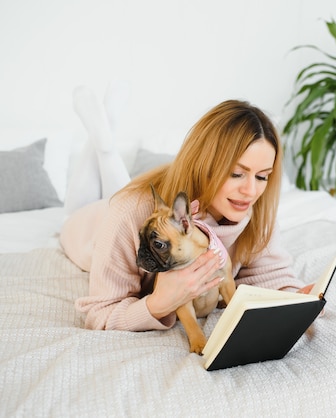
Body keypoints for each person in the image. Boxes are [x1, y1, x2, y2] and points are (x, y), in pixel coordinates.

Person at [61, 85, 308, 332]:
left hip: (136, 204)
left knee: (118, 185)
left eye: (262, 176)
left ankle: (105, 143)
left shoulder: (254, 209)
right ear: (204, 165)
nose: (251, 191)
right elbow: (100, 315)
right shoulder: (127, 214)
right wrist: (157, 304)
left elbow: (270, 274)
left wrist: (298, 299)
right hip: (86, 224)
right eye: (236, 174)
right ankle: (102, 144)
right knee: (89, 199)